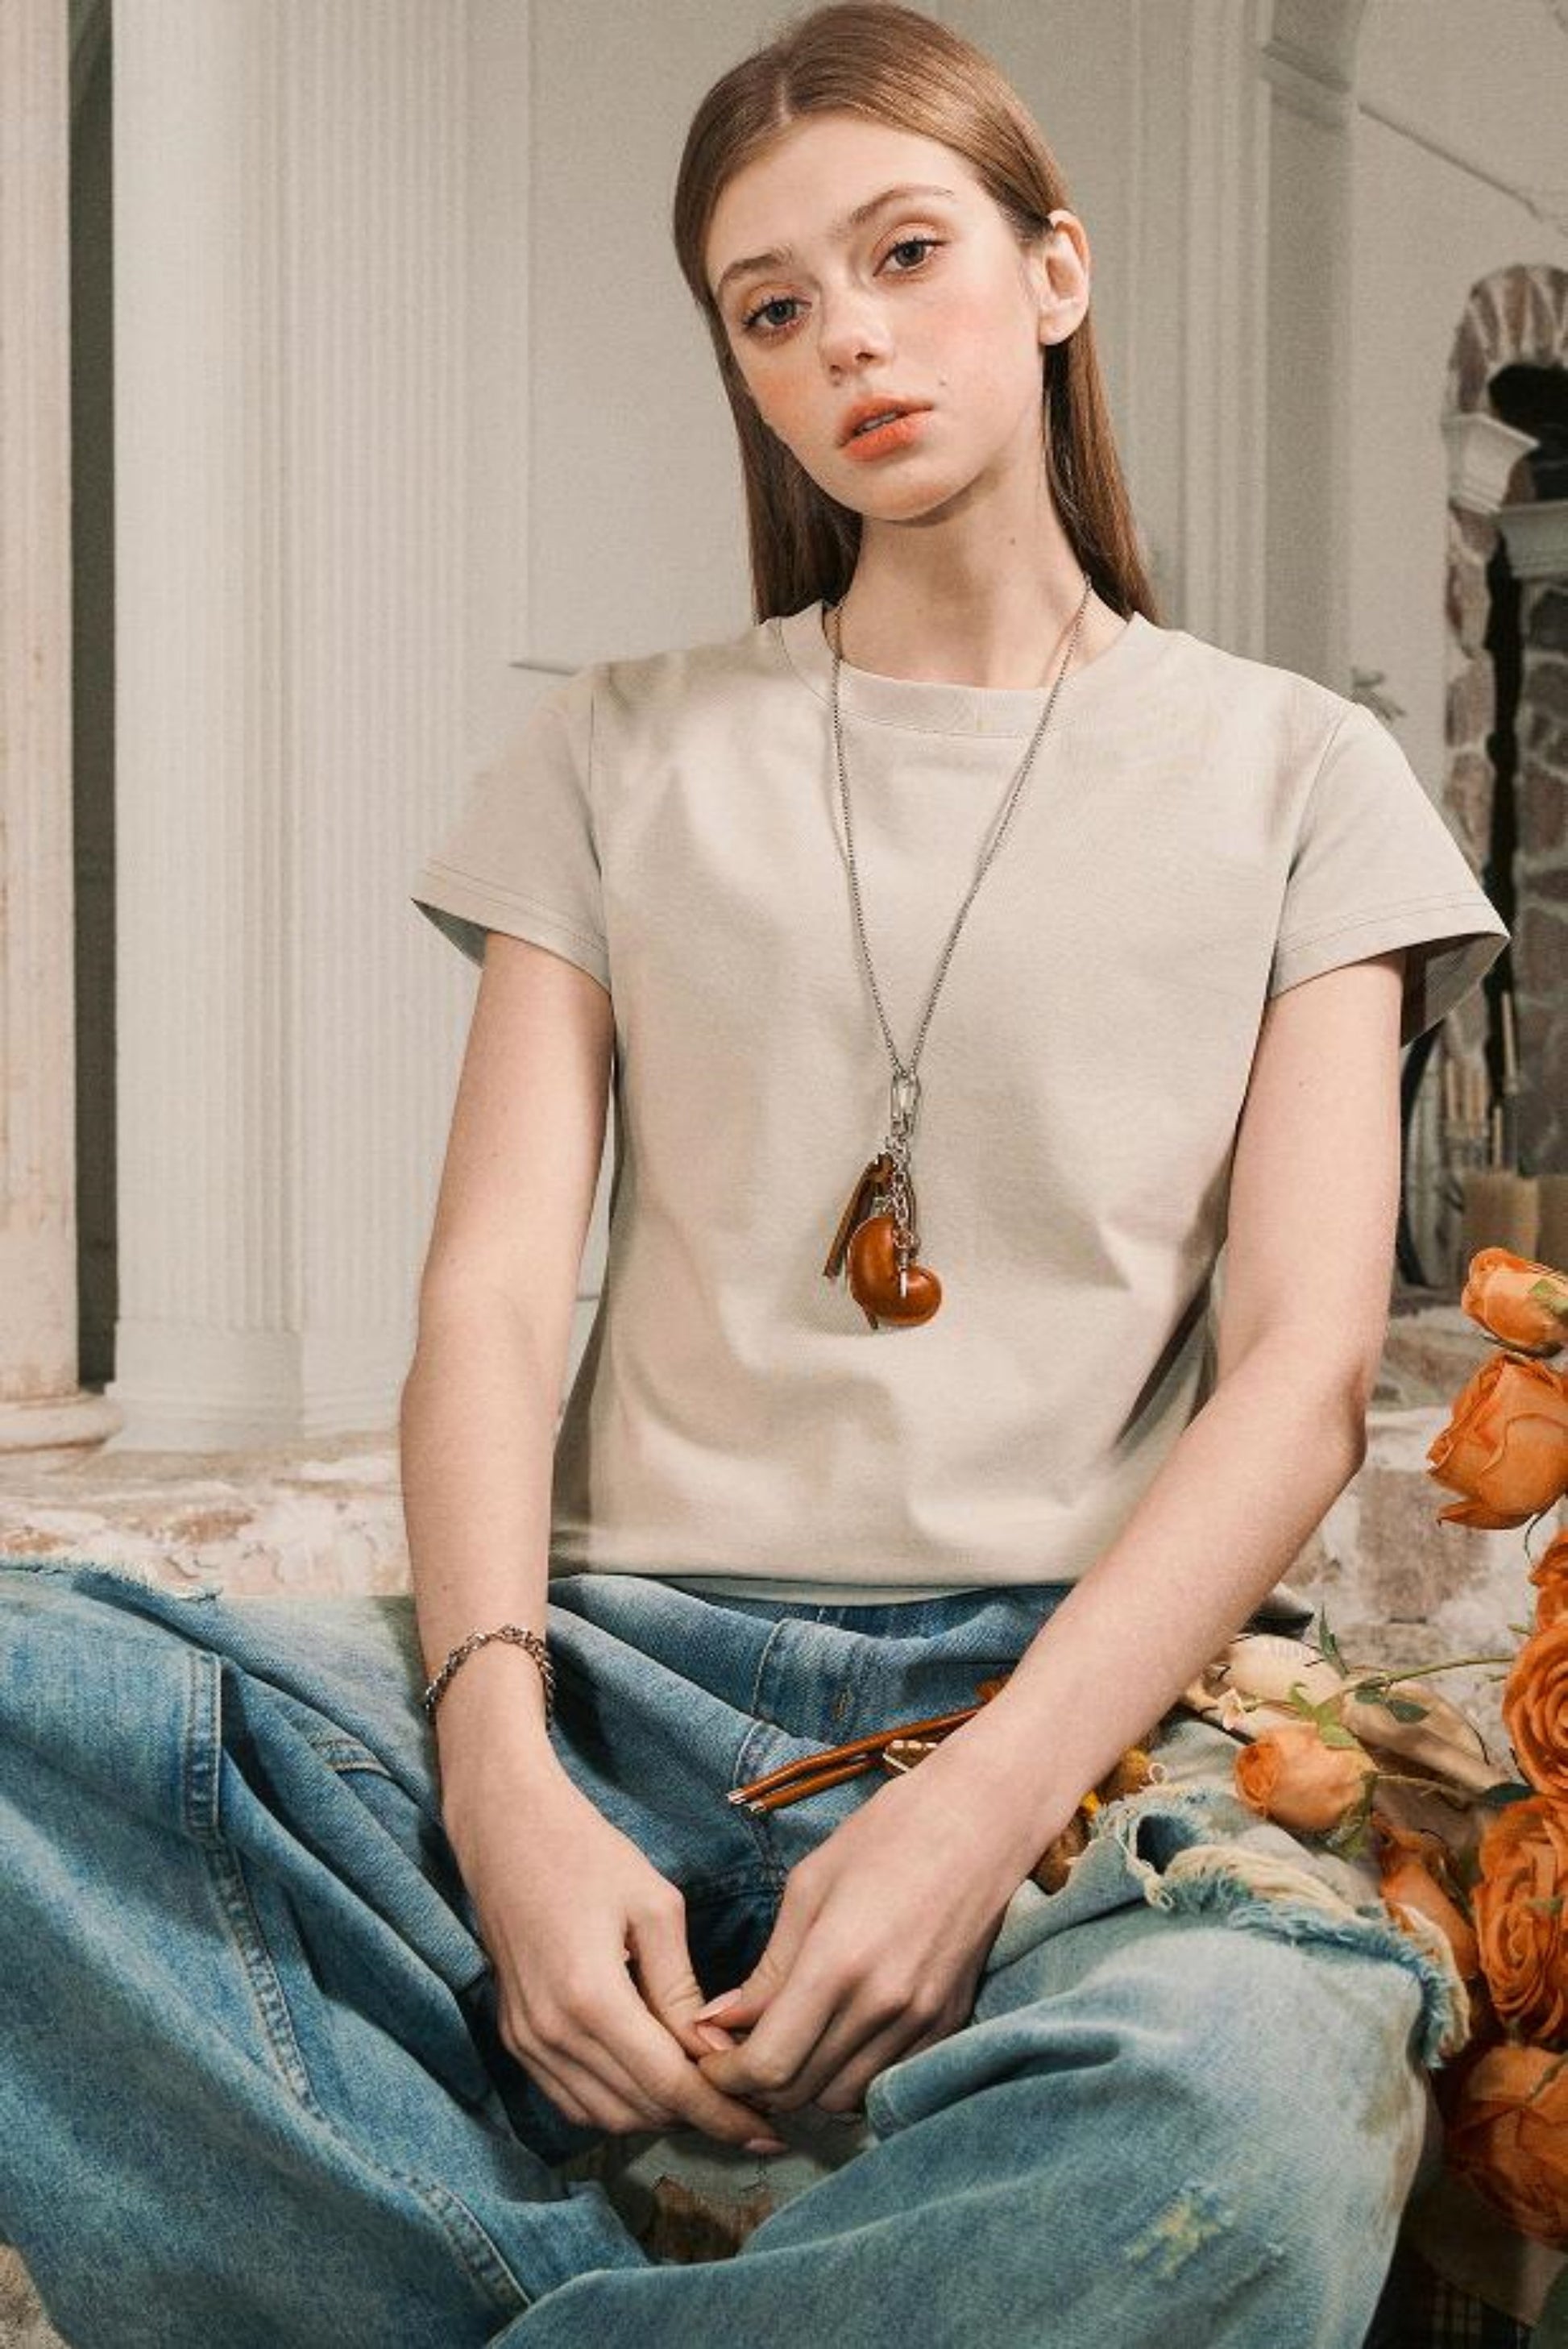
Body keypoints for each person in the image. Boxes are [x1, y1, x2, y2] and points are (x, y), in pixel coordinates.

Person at [0, 4, 1512, 2344]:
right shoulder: (613, 753)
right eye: (772, 307)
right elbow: (491, 1303)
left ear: (1055, 272)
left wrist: (976, 1811)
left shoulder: (1301, 775)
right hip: (611, 1670)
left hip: (1079, 1716)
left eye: (906, 255)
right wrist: (500, 1776)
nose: (849, 343)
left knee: (1248, 2110)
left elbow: (1302, 1373)